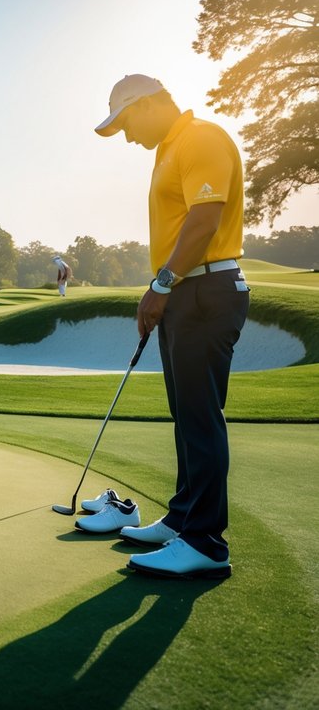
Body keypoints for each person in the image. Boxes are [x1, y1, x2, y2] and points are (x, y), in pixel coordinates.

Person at [95, 73, 248, 579]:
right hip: (187, 291)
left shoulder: (201, 136)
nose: (126, 136)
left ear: (147, 104)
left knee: (201, 417)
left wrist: (161, 285)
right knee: (186, 415)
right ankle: (184, 519)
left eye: (125, 123)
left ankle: (205, 542)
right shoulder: (169, 148)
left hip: (205, 289)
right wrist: (168, 290)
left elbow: (204, 221)